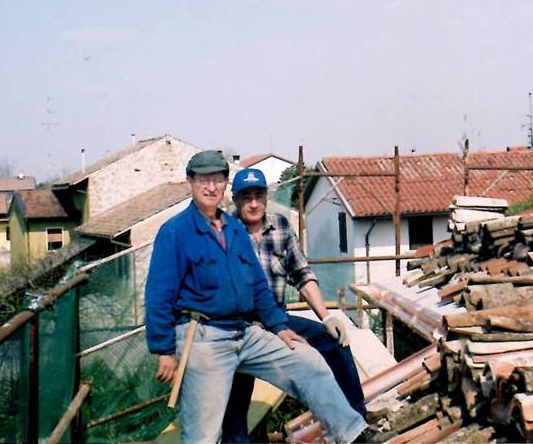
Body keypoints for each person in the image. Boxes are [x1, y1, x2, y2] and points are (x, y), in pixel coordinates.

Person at [145, 151, 367, 444]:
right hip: (203, 337)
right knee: (205, 432)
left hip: (246, 332)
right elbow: (158, 294)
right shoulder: (176, 232)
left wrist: (280, 326)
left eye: (217, 180)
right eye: (204, 180)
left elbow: (258, 285)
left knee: (308, 361)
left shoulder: (234, 229)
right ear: (190, 182)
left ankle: (353, 433)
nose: (211, 187)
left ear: (225, 183)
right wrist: (163, 350)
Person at [221, 168, 367, 442]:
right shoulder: (224, 233)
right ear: (235, 200)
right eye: (246, 197)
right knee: (235, 400)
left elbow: (301, 274)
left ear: (266, 197)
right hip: (238, 327)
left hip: (278, 321)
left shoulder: (281, 227)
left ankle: (356, 427)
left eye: (258, 196)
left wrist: (326, 317)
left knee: (333, 343)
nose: (253, 203)